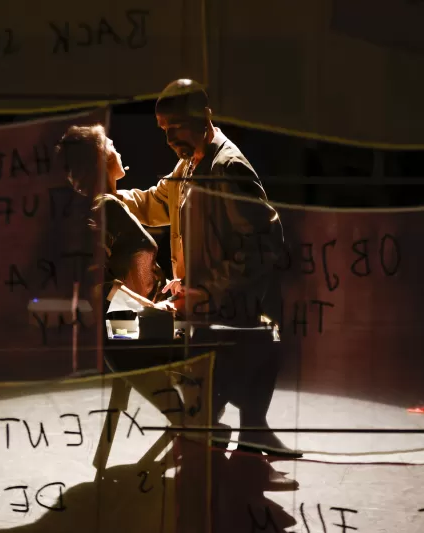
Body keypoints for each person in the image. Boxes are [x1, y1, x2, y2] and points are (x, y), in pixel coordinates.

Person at [117, 79, 301, 463]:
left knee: (225, 371)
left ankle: (243, 435)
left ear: (204, 117)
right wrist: (112, 199)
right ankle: (219, 437)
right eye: (163, 129)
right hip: (204, 307)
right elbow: (156, 200)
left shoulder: (227, 167)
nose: (169, 138)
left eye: (176, 127)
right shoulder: (190, 162)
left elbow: (265, 243)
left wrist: (209, 290)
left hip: (232, 309)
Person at [54, 124, 173, 315]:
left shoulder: (99, 206)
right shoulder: (106, 207)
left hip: (134, 322)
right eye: (113, 147)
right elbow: (96, 282)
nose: (118, 152)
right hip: (132, 325)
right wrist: (150, 309)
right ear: (104, 157)